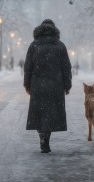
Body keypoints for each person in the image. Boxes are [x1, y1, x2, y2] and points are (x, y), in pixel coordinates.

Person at [23, 19, 72, 153]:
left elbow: (28, 67)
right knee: (51, 114)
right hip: (56, 84)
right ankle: (46, 138)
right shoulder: (60, 46)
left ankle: (43, 138)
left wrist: (27, 84)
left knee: (40, 113)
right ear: (54, 30)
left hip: (38, 84)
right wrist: (67, 85)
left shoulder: (34, 45)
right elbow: (66, 67)